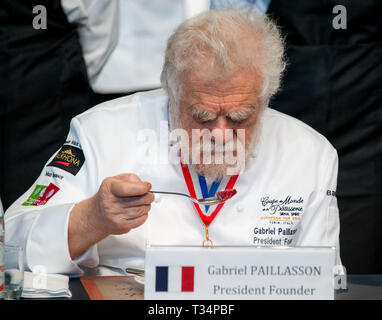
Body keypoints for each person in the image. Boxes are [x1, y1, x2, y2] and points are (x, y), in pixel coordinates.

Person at [5, 10, 341, 276]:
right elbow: (13, 245)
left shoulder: (311, 155)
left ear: (267, 97)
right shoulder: (101, 131)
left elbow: (324, 279)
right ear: (171, 92)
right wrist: (92, 218)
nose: (221, 134)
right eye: (202, 116)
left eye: (240, 117)